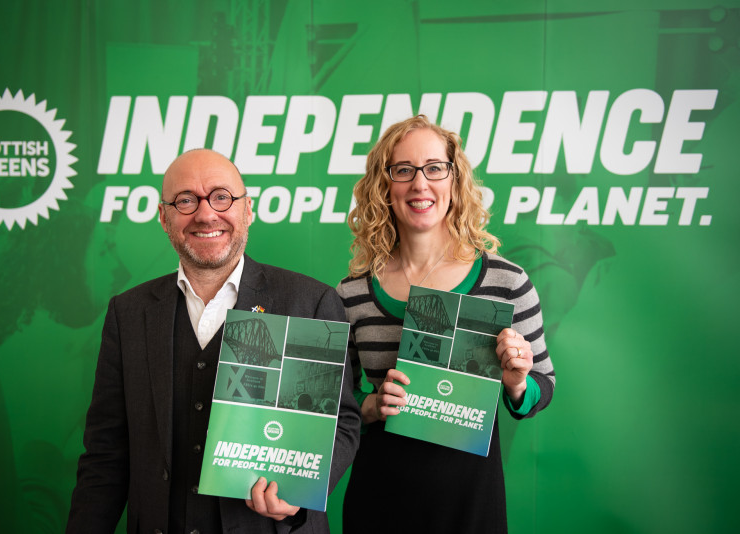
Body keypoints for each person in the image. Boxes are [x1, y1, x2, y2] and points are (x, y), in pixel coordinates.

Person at [67, 149, 360, 534]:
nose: (206, 214)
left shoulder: (311, 302)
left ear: (248, 209)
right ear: (164, 217)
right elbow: (106, 452)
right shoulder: (129, 313)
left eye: (222, 197)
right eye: (186, 200)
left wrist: (299, 493)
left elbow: (342, 422)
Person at [336, 115, 555, 533]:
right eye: (404, 170)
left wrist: (517, 382)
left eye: (435, 168)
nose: (420, 184)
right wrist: (370, 405)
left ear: (454, 181)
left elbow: (541, 387)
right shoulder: (351, 295)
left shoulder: (506, 282)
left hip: (470, 506)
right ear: (385, 186)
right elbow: (337, 403)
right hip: (379, 502)